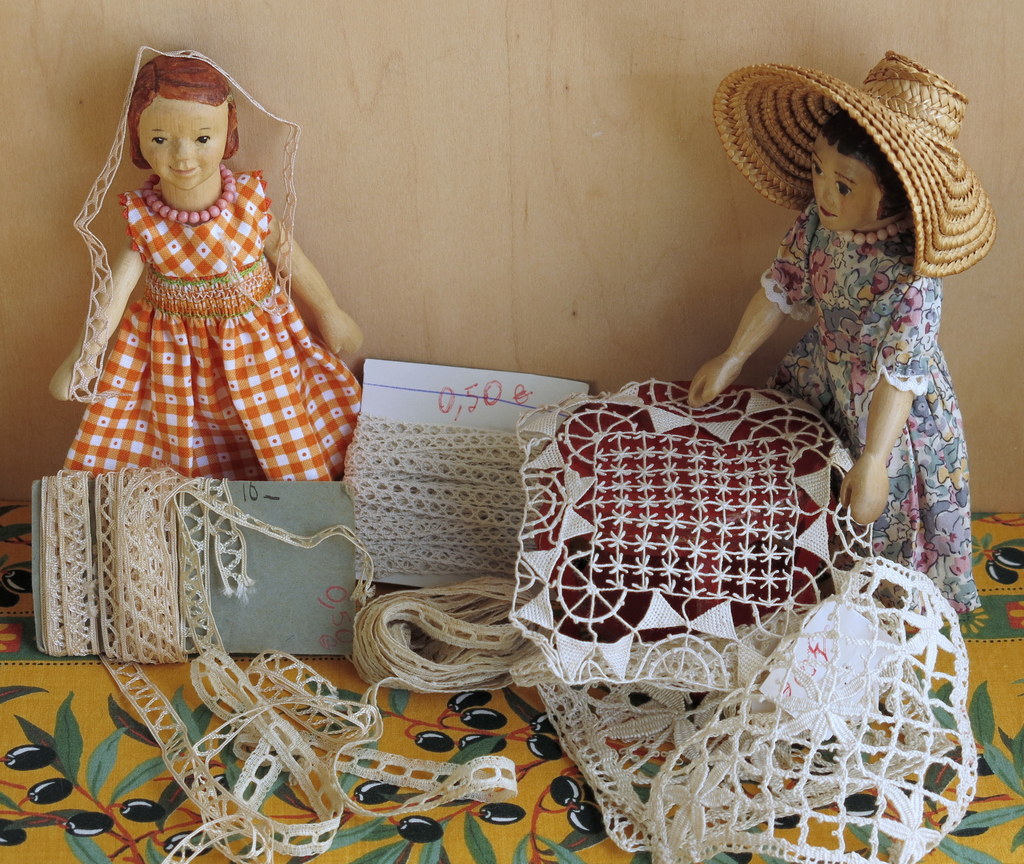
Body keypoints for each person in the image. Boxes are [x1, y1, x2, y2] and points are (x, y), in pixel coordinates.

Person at [689, 53, 997, 612]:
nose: (824, 194)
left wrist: (876, 458)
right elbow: (782, 286)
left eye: (844, 185)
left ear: (895, 194)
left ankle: (882, 603)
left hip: (889, 410)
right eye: (817, 172)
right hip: (821, 375)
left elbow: (900, 373)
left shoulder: (912, 276)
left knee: (883, 507)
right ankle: (807, 577)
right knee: (803, 476)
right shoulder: (817, 225)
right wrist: (733, 356)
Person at [50, 51, 362, 481]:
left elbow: (286, 252)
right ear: (137, 137)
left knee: (278, 429)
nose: (183, 156)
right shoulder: (145, 221)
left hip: (258, 348)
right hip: (172, 359)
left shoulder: (249, 203)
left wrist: (328, 310)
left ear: (228, 131)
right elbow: (113, 295)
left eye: (202, 138)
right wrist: (85, 355)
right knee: (180, 446)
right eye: (160, 139)